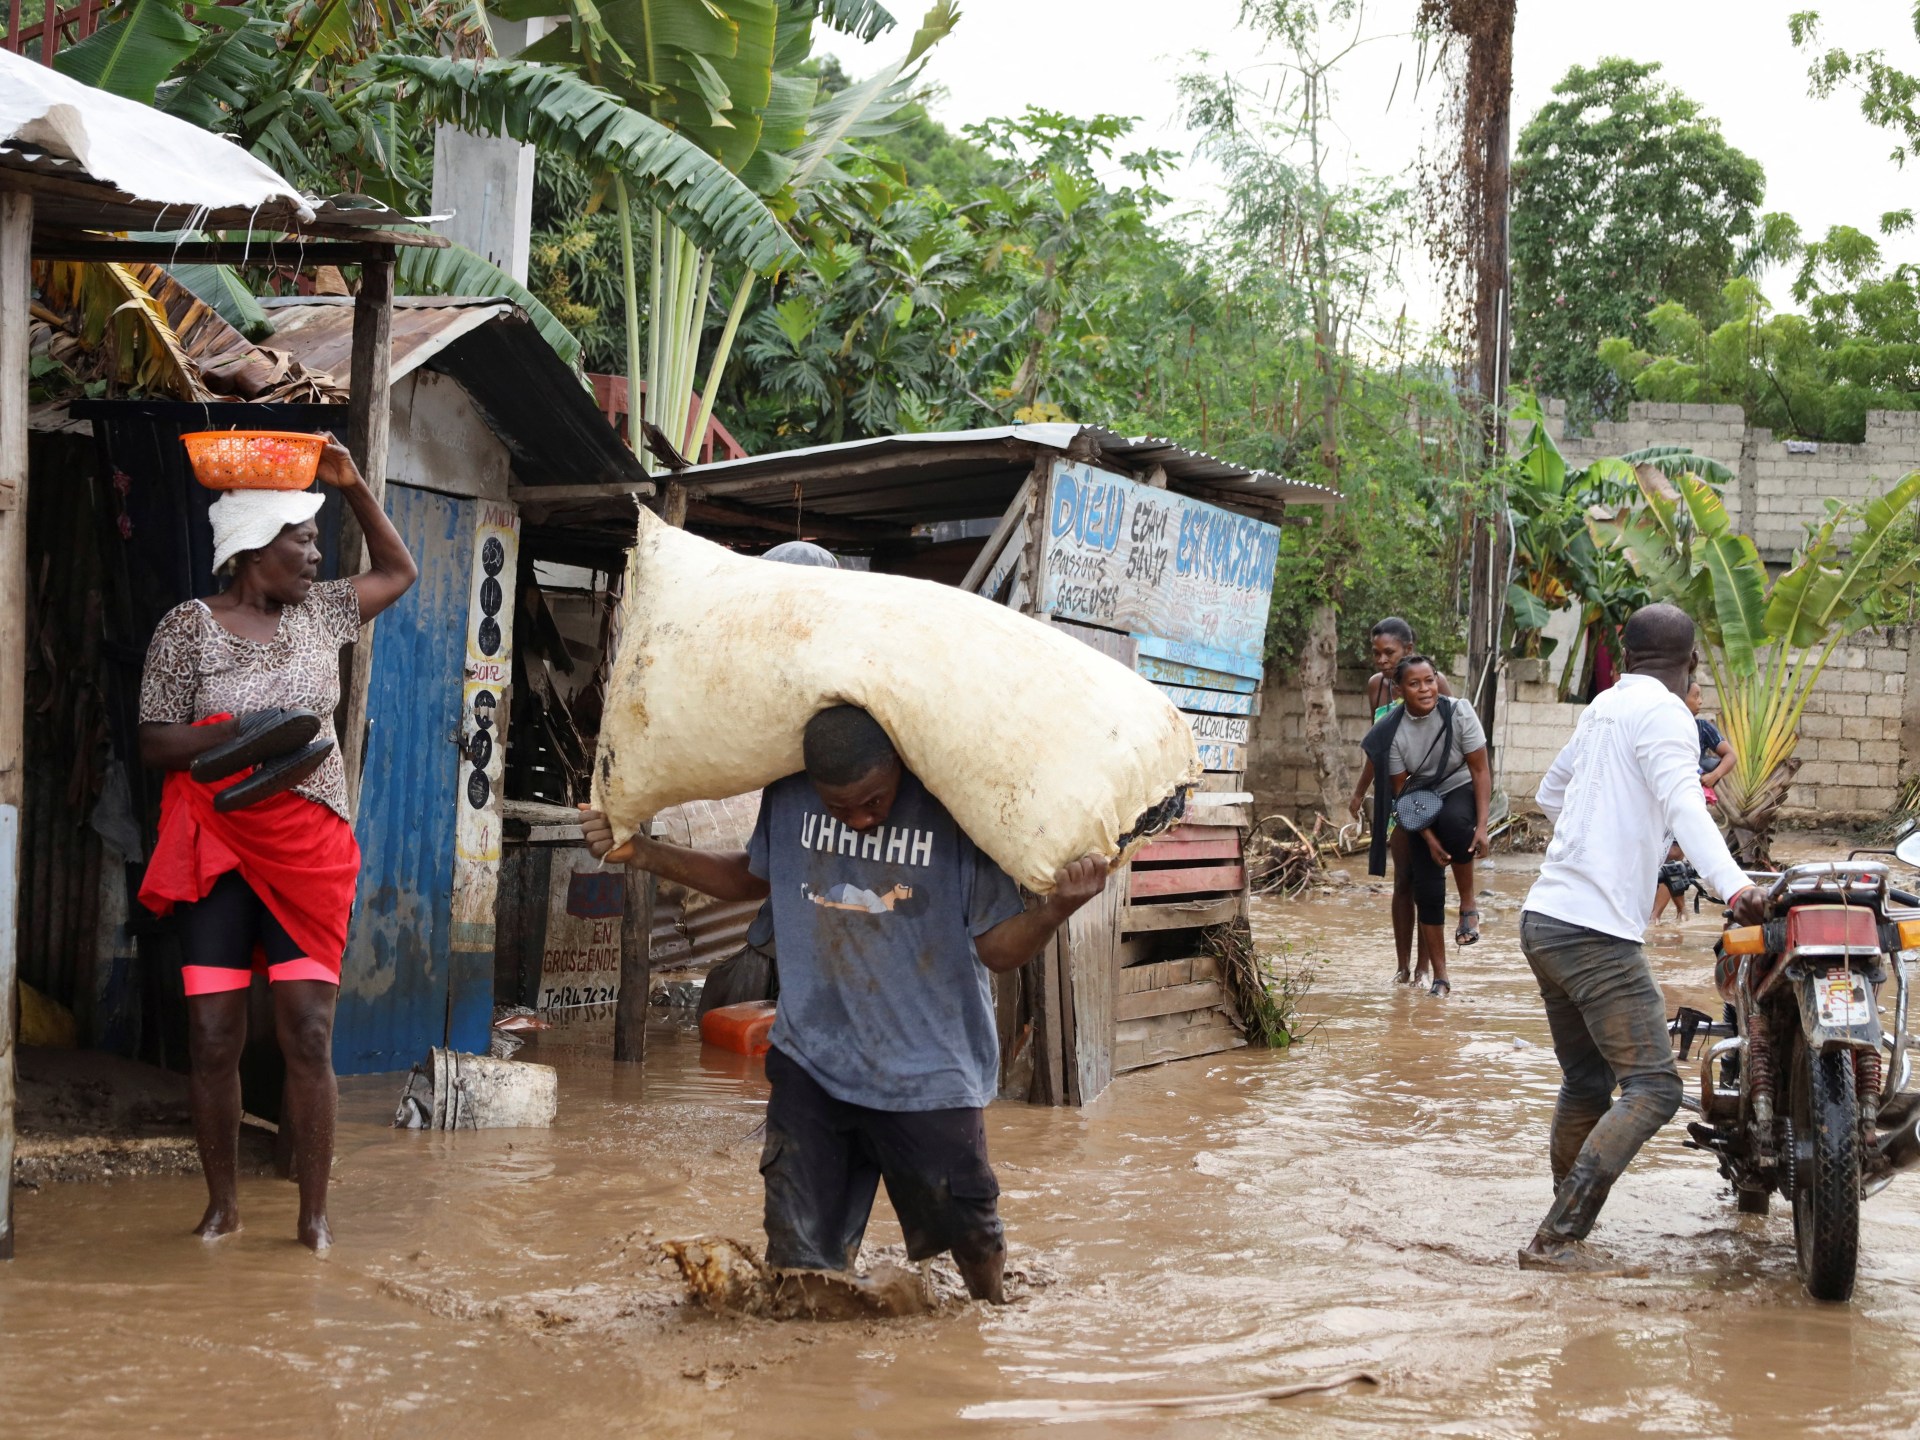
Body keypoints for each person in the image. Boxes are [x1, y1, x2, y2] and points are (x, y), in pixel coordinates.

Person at [582, 706, 1106, 1302]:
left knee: (973, 1238)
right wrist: (644, 853)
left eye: (875, 801)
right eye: (839, 808)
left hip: (929, 1074)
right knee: (801, 1269)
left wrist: (1056, 908)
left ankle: (989, 1330)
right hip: (812, 1062)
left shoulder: (956, 808)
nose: (859, 820)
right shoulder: (787, 792)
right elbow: (752, 878)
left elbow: (998, 948)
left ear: (898, 769)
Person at [136, 436, 418, 1249]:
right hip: (217, 845)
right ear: (258, 545)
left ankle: (314, 1218)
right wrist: (242, 735)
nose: (315, 554)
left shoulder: (323, 612)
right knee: (214, 1034)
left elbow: (398, 572)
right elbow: (156, 740)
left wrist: (355, 485)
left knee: (308, 1030)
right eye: (304, 538)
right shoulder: (188, 629)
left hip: (308, 847)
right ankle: (222, 1206)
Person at [1519, 603, 1767, 1274]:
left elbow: (1550, 793)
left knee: (1585, 1079)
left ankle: (1563, 1216)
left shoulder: (1603, 707)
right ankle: (1557, 1238)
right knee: (1655, 1088)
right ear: (1690, 666)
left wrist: (1613, 843)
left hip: (1544, 917)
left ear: (1627, 654)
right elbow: (1686, 804)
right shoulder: (1668, 716)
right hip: (1595, 933)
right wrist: (1737, 888)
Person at [1347, 617, 1472, 984]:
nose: (1382, 660)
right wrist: (1359, 791)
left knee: (1424, 877)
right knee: (1403, 879)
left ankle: (1425, 966)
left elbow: (1450, 739)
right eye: (1376, 653)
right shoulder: (1376, 689)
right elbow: (1378, 747)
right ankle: (1403, 966)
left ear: (1409, 650)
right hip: (1397, 792)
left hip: (1433, 792)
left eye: (1390, 653)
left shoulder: (1436, 683)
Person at [1360, 656, 1490, 996]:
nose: (1426, 689)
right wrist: (1429, 840)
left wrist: (1483, 826)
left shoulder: (1459, 711)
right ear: (1400, 691)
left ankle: (1468, 906)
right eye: (1415, 684)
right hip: (1416, 799)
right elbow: (1402, 791)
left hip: (1457, 785)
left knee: (1455, 823)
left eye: (1430, 680)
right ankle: (1441, 978)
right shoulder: (1390, 732)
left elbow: (1479, 770)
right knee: (1426, 889)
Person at [1648, 682, 1737, 926]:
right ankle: (1682, 911)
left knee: (1674, 854)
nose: (1700, 701)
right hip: (1660, 798)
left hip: (1685, 799)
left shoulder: (1702, 728)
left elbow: (1730, 756)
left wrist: (1713, 776)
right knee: (1670, 856)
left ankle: (1654, 916)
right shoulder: (1662, 725)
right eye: (1695, 696)